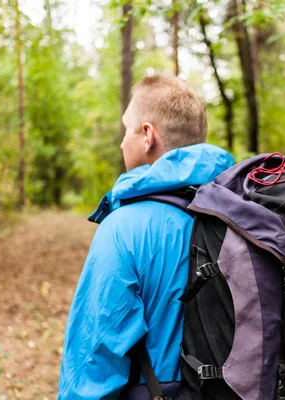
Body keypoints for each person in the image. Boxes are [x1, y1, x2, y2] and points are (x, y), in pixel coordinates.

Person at [57, 74, 234, 400]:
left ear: (147, 135)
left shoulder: (124, 229)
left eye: (127, 129)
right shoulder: (240, 216)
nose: (123, 141)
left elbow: (94, 359)